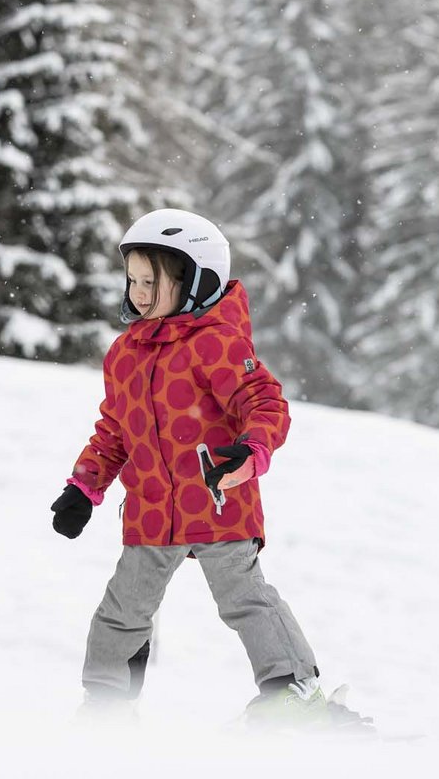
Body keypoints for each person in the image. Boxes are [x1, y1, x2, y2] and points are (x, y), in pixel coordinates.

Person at [48, 209, 368, 730]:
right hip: (152, 511)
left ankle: (295, 691)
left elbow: (263, 402)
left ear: (197, 282)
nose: (139, 292)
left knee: (244, 598)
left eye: (152, 281)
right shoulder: (124, 355)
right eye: (132, 280)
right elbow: (114, 431)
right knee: (123, 608)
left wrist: (250, 450)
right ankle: (106, 705)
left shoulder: (215, 343)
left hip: (217, 499)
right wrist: (84, 486)